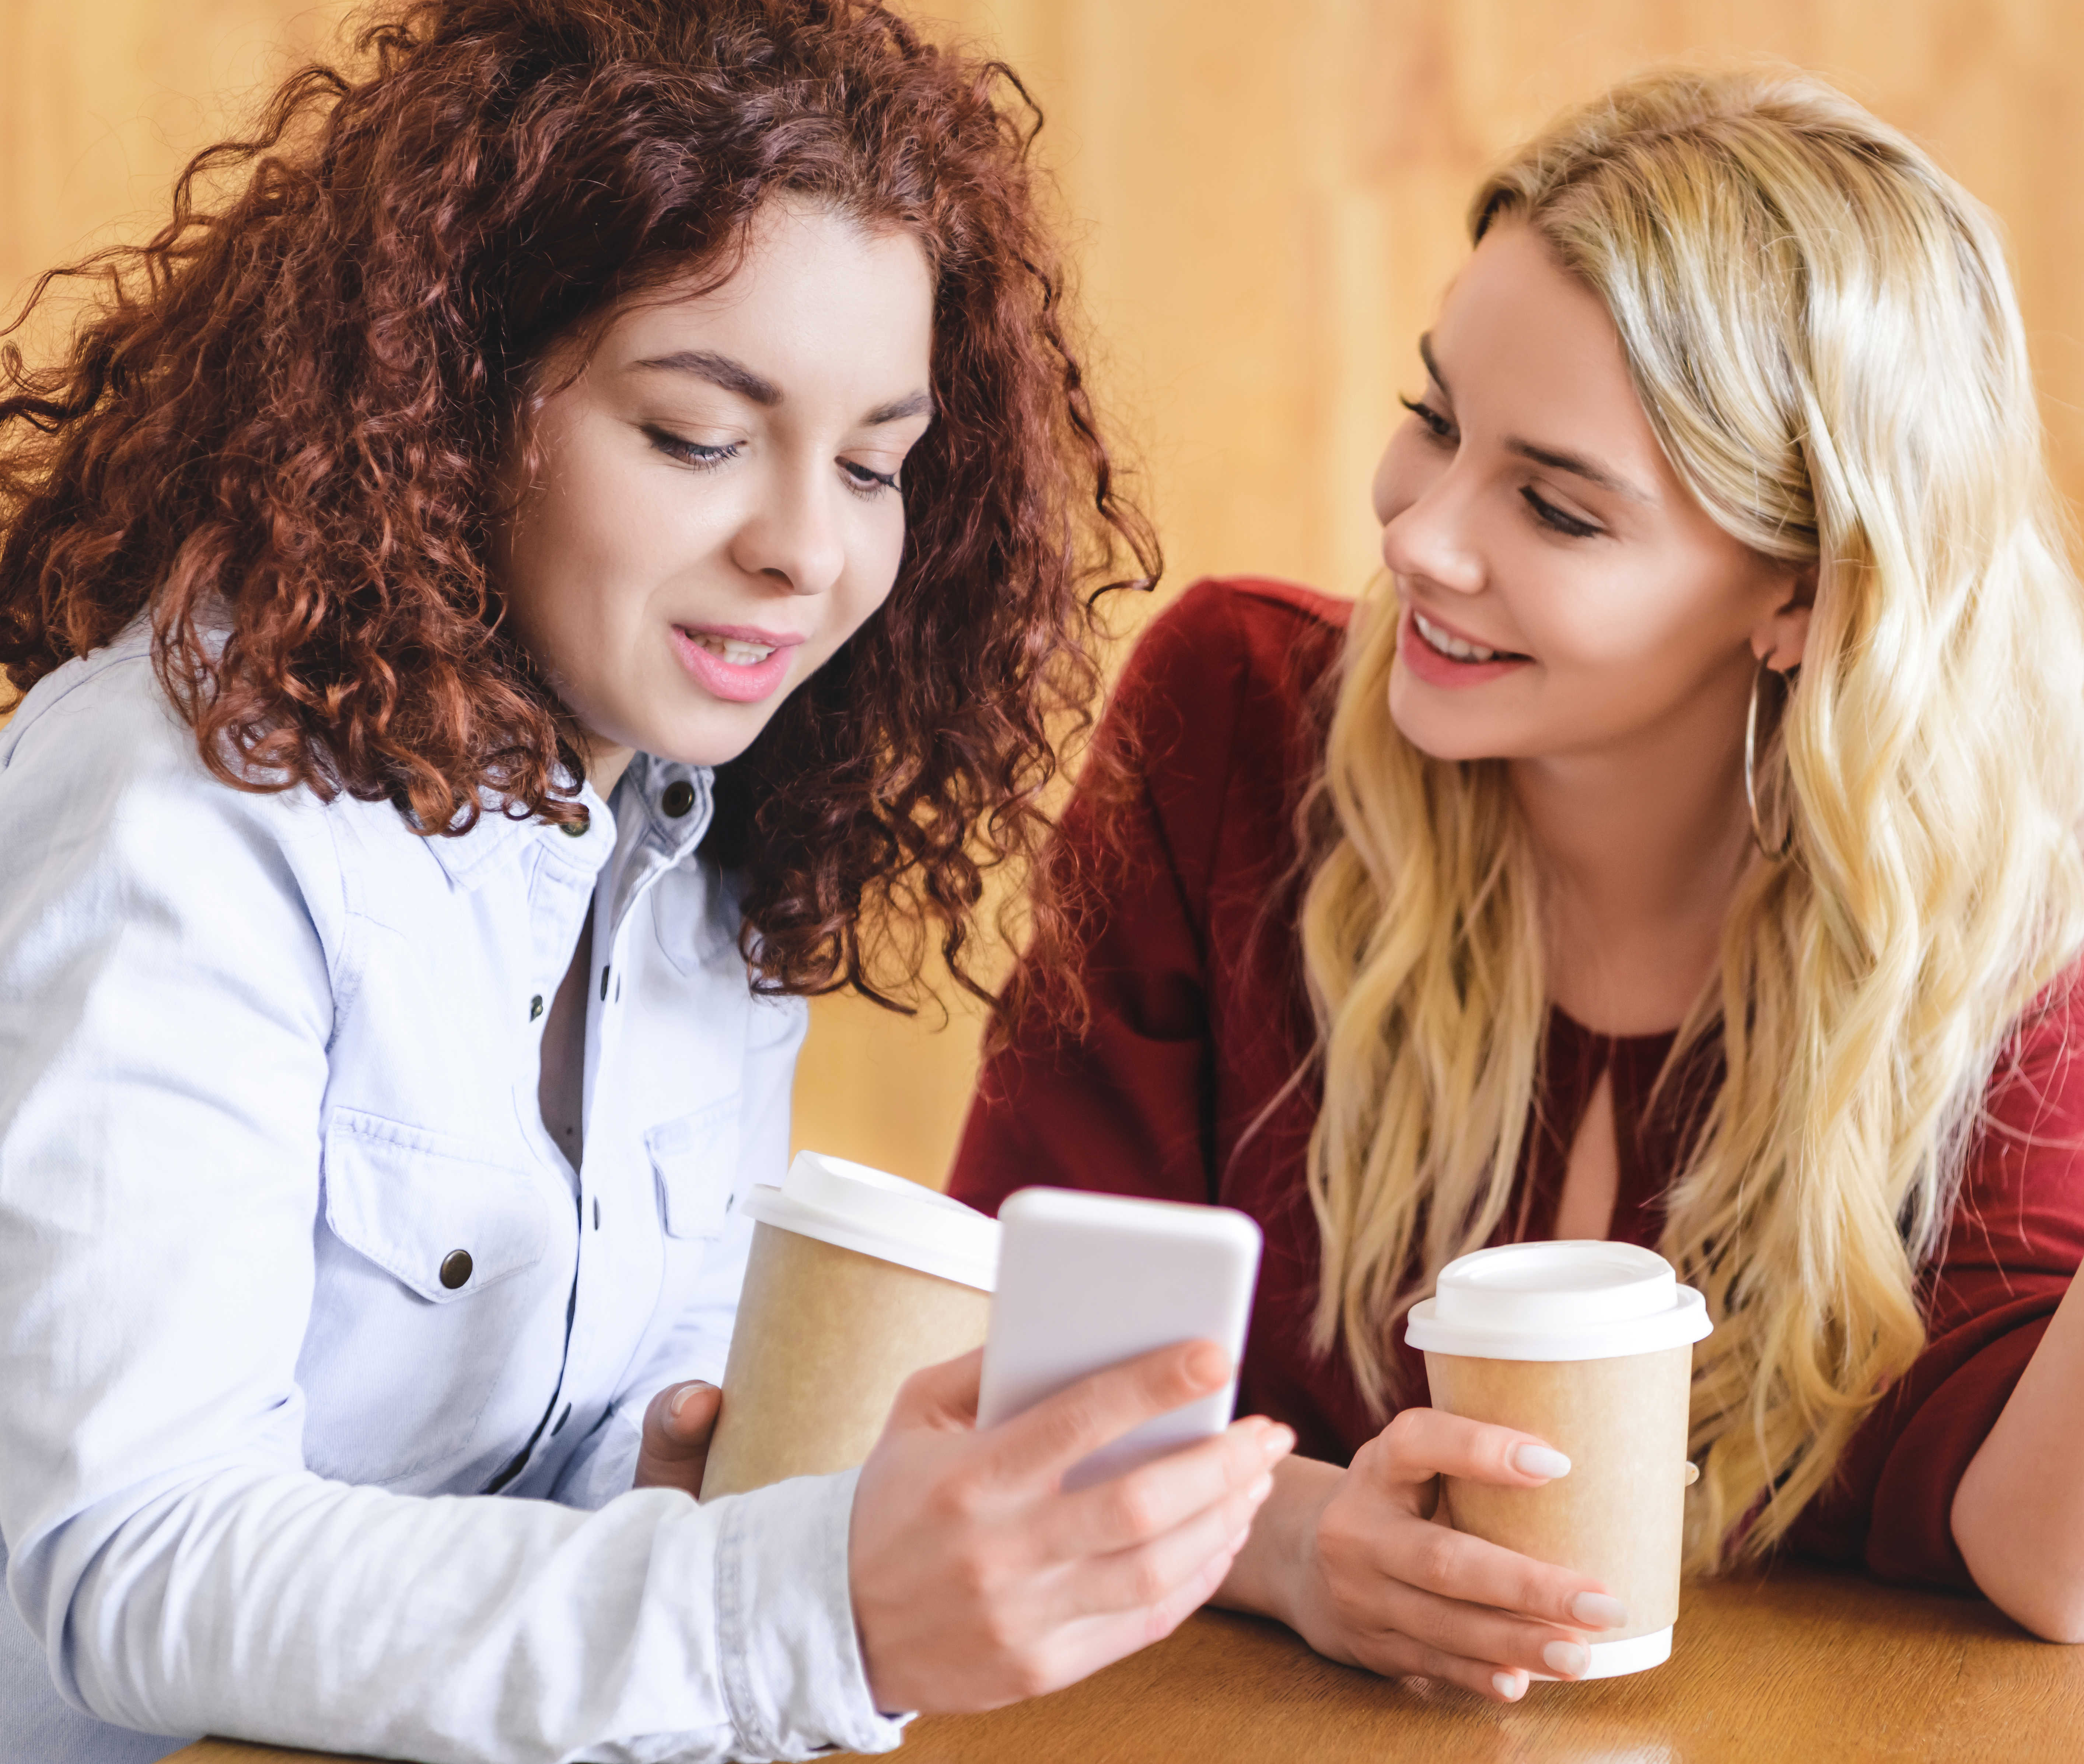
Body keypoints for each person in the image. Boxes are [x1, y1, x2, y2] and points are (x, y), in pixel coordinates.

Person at [942, 68, 2084, 1703]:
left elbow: (2072, 1560)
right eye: (1434, 420)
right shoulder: (1234, 726)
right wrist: (1297, 1543)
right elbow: (1003, 1377)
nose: (1418, 538)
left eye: (1555, 505)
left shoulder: (1983, 920)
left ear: (1805, 600)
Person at [0, 3, 1290, 1759]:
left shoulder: (700, 830)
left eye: (871, 464)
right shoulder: (180, 810)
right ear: (449, 407)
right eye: (697, 437)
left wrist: (691, 1494)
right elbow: (121, 1565)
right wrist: (798, 1601)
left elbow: (556, 1471)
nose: (807, 549)